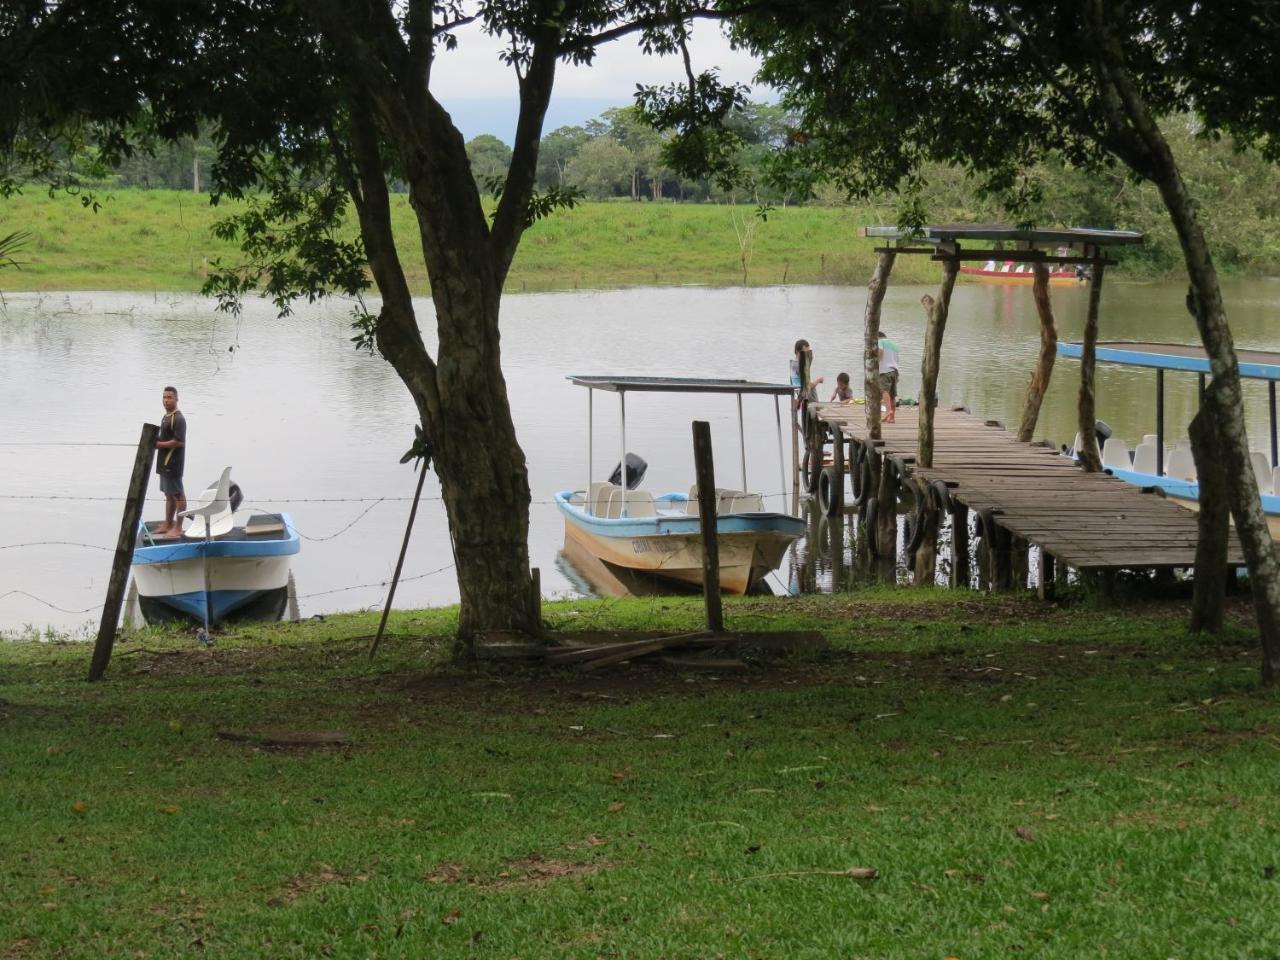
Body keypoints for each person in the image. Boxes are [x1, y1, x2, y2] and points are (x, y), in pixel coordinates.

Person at [156, 385, 187, 538]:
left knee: (178, 494)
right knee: (168, 495)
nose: (166, 400)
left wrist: (159, 444)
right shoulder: (166, 416)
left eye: (169, 397)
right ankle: (168, 524)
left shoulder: (178, 418)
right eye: (164, 397)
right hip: (163, 463)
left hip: (173, 463)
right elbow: (165, 437)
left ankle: (179, 527)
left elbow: (179, 442)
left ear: (176, 399)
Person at [877, 330, 900, 423]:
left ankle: (888, 411)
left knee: (884, 391)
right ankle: (892, 418)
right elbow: (897, 359)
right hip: (895, 370)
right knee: (892, 395)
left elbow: (881, 351)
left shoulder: (880, 341)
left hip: (885, 371)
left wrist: (877, 363)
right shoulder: (894, 345)